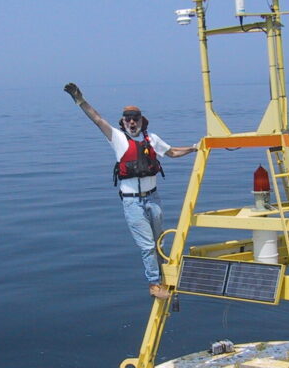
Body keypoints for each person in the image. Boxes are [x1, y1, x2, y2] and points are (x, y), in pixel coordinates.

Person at [63, 82, 197, 299]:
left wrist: (193, 149)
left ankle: (164, 278)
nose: (132, 122)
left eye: (135, 118)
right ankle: (154, 285)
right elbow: (97, 119)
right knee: (147, 246)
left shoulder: (151, 139)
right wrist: (80, 100)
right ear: (123, 122)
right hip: (132, 202)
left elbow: (171, 152)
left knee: (158, 242)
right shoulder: (117, 138)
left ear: (141, 121)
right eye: (128, 119)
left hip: (153, 199)